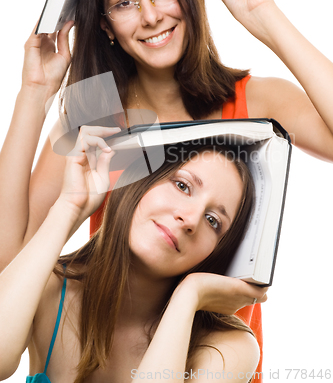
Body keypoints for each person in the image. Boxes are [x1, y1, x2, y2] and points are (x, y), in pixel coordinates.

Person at [0, 0, 332, 377]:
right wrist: (33, 95)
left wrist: (265, 16)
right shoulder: (100, 110)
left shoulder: (254, 99)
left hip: (211, 361)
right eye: (125, 3)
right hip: (106, 352)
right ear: (107, 25)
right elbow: (10, 261)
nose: (151, 16)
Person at [0, 131, 268, 383]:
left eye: (213, 221)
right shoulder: (50, 287)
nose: (190, 219)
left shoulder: (229, 347)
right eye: (182, 186)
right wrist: (69, 207)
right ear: (141, 177)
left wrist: (188, 296)